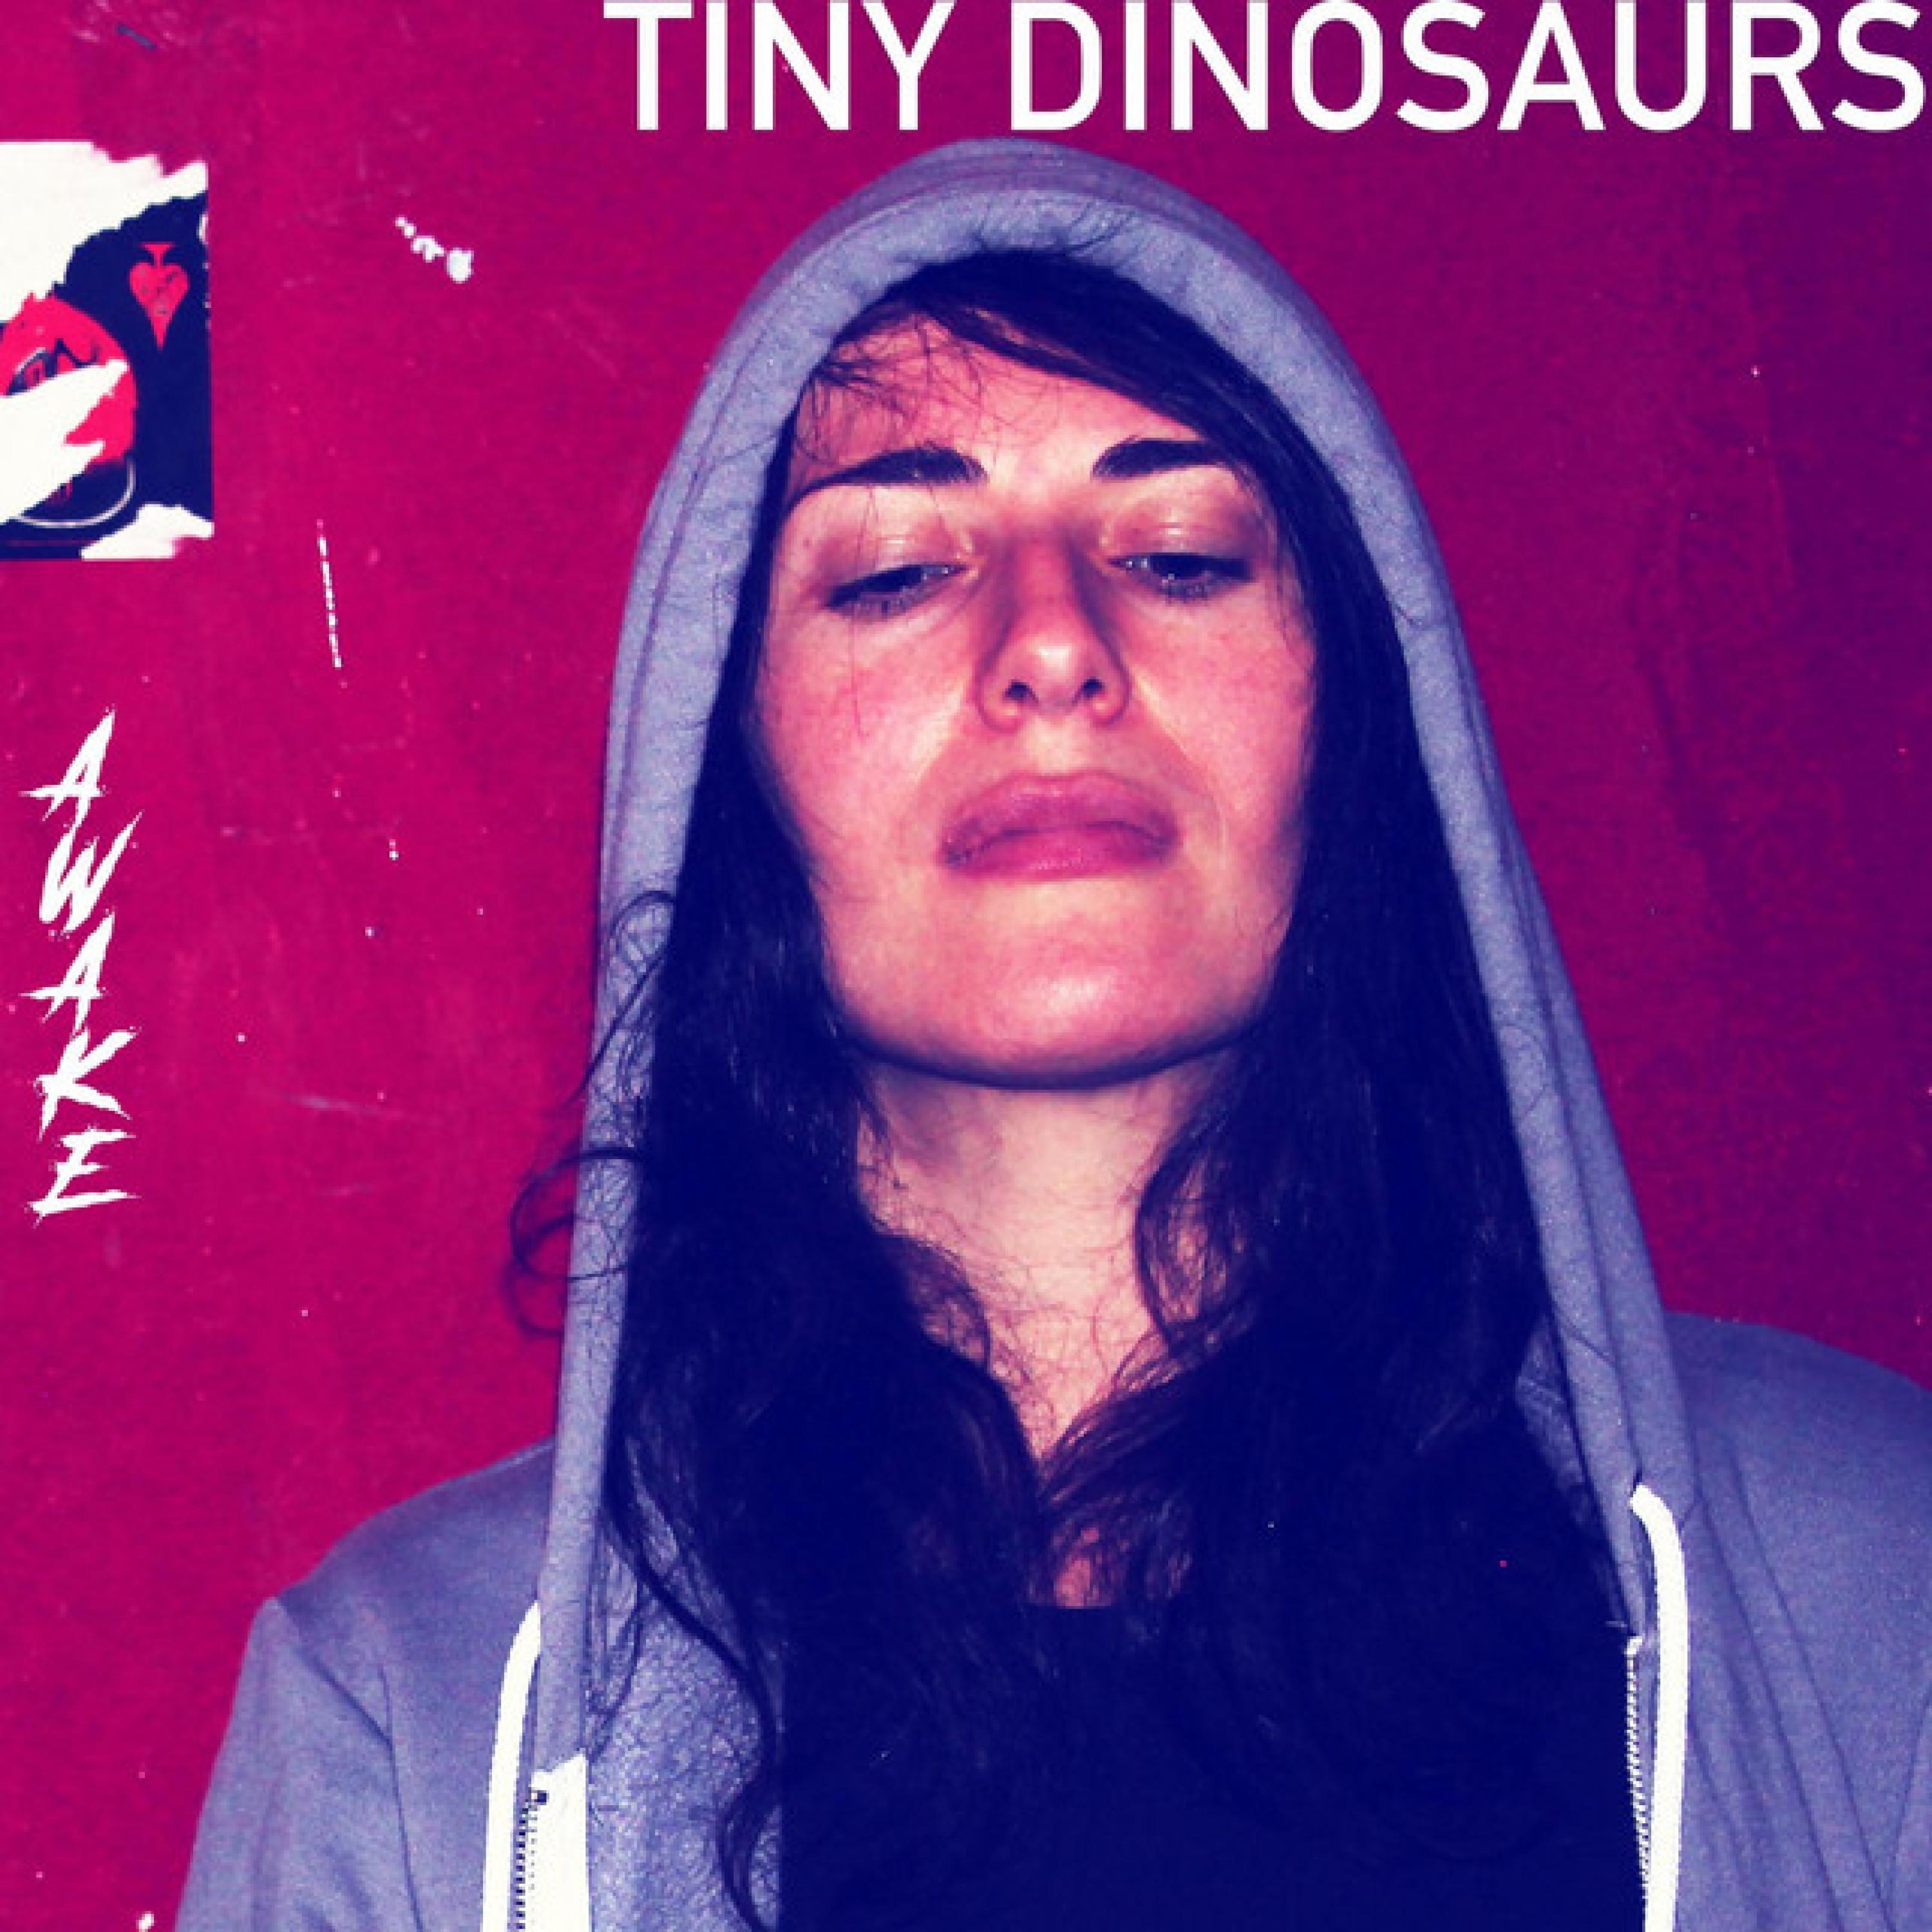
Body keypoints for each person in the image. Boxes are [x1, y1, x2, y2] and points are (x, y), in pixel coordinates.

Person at [179, 142, 1932, 1932]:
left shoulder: (1874, 1572)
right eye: (893, 573)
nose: (1052, 648)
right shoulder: (406, 1710)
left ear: (1361, 720)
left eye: (1179, 554)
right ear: (731, 764)